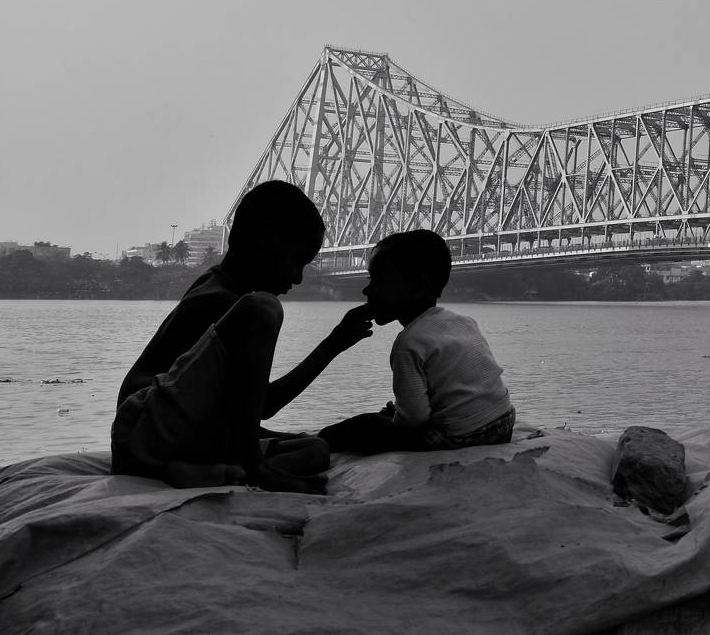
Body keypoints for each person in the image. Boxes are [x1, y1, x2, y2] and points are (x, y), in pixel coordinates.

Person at [111, 180, 376, 493]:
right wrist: (332, 344)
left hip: (175, 431)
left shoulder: (220, 286)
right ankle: (251, 468)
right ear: (266, 241)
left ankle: (208, 472)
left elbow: (249, 409)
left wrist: (336, 342)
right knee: (264, 307)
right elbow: (265, 405)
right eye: (297, 261)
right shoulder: (222, 302)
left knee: (315, 450)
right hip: (145, 427)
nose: (298, 277)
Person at [320, 229, 515, 455]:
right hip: (503, 425)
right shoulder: (464, 322)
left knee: (368, 426)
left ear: (419, 287)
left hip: (460, 436)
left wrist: (392, 420)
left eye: (378, 281)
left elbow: (414, 420)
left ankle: (320, 440)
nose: (366, 290)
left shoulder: (408, 343)